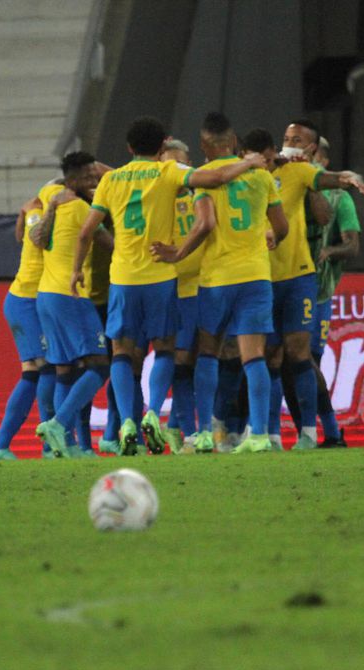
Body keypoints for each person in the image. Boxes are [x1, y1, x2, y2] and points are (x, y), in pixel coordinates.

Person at [72, 116, 267, 456]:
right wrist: (249, 162)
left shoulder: (111, 180)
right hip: (161, 277)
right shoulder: (168, 172)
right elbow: (216, 177)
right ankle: (153, 412)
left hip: (124, 278)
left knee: (122, 352)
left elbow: (86, 232)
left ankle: (127, 422)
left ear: (129, 147)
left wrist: (76, 270)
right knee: (165, 349)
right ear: (163, 146)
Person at [151, 111, 289, 453]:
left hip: (217, 278)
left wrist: (179, 253)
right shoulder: (261, 176)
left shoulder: (204, 179)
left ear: (203, 145)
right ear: (234, 141)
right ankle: (260, 435)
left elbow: (205, 224)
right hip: (256, 275)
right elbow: (281, 226)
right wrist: (270, 238)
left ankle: (202, 432)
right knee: (254, 357)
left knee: (208, 353)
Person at [244, 120, 364, 450]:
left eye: (296, 140)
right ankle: (271, 434)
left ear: (312, 149)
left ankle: (318, 433)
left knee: (302, 357)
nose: (290, 144)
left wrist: (345, 177)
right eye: (286, 138)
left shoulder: (310, 179)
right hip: (262, 277)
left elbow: (327, 214)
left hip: (309, 281)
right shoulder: (254, 176)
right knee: (272, 357)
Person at [32, 151, 114, 457]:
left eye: (96, 176)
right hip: (72, 295)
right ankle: (58, 423)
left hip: (46, 295)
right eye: (89, 177)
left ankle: (61, 446)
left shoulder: (52, 195)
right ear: (74, 179)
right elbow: (111, 245)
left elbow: (49, 187)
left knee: (64, 370)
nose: (94, 182)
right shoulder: (83, 209)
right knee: (100, 365)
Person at [0, 188, 55, 461]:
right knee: (48, 368)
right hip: (26, 301)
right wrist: (33, 212)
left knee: (32, 373)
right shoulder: (41, 213)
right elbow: (34, 235)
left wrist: (24, 213)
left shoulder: (37, 211)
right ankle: (50, 446)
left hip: (29, 300)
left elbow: (21, 232)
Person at [306, 137, 360, 447]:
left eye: (313, 154)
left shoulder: (340, 198)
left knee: (307, 361)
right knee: (285, 360)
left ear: (324, 162)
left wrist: (328, 250)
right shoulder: (284, 187)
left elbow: (353, 246)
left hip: (320, 294)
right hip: (283, 288)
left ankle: (328, 432)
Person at [159, 137, 203, 454]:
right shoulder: (152, 200)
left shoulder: (202, 195)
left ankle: (176, 426)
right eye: (169, 164)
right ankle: (189, 432)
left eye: (181, 164)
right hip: (171, 290)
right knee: (181, 360)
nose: (175, 171)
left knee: (202, 361)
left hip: (206, 286)